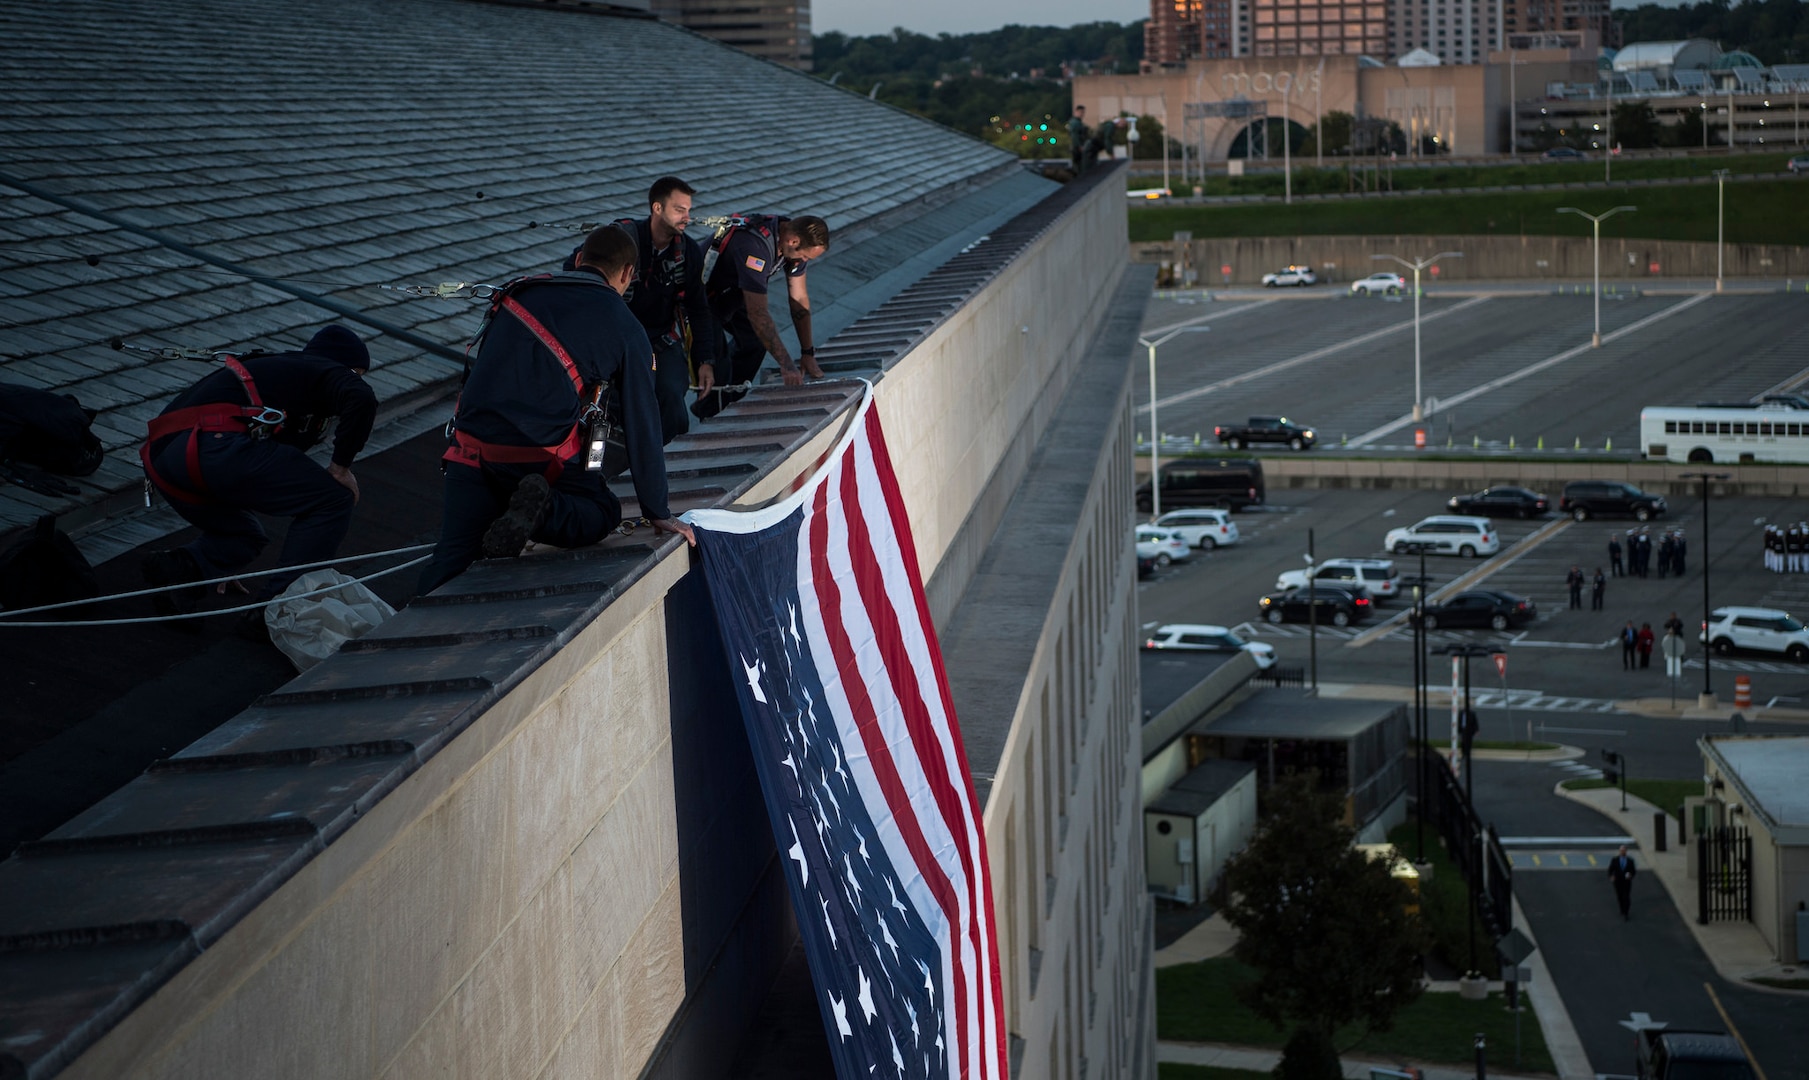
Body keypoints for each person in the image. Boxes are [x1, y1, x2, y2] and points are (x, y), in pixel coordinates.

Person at [418, 226, 695, 594]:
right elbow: (642, 423)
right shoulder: (627, 328)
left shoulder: (519, 292)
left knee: (450, 561)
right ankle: (543, 511)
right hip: (536, 457)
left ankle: (398, 636)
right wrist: (657, 510)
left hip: (470, 452)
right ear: (628, 275)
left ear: (579, 259)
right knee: (603, 510)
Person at [138, 325, 375, 630]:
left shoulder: (277, 379)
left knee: (244, 535)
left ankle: (186, 570)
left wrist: (220, 563)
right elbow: (361, 398)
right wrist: (341, 466)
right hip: (213, 447)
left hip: (163, 464)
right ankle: (280, 610)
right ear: (343, 365)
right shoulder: (323, 368)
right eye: (357, 372)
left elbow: (263, 469)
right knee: (333, 498)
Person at [564, 177, 717, 445]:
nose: (687, 218)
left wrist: (705, 360)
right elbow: (575, 270)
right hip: (614, 339)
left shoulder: (688, 253)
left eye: (689, 210)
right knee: (603, 399)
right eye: (680, 210)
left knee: (670, 396)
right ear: (657, 208)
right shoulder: (622, 240)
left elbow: (699, 309)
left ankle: (670, 462)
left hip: (658, 342)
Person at [695, 213, 830, 420]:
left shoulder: (792, 243)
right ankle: (710, 415)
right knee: (717, 365)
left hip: (733, 293)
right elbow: (758, 314)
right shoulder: (754, 246)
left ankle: (732, 401)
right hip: (702, 299)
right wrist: (786, 365)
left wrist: (807, 353)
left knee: (755, 343)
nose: (803, 262)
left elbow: (799, 300)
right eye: (804, 257)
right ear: (793, 241)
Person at [1607, 844, 1637, 920]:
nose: (1622, 852)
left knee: (1626, 897)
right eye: (1621, 851)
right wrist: (1611, 876)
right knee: (1620, 896)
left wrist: (1630, 875)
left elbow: (1633, 871)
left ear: (1626, 851)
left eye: (1623, 851)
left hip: (1626, 882)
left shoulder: (1630, 861)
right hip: (1618, 882)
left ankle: (1626, 913)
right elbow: (1610, 869)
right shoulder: (1615, 860)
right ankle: (1622, 909)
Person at [1067, 104, 1090, 173]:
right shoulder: (1075, 123)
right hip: (1077, 148)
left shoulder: (1078, 122)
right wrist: (1079, 146)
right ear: (1076, 112)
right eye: (1080, 112)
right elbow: (1074, 135)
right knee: (1079, 166)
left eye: (1083, 112)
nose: (1082, 114)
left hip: (1079, 146)